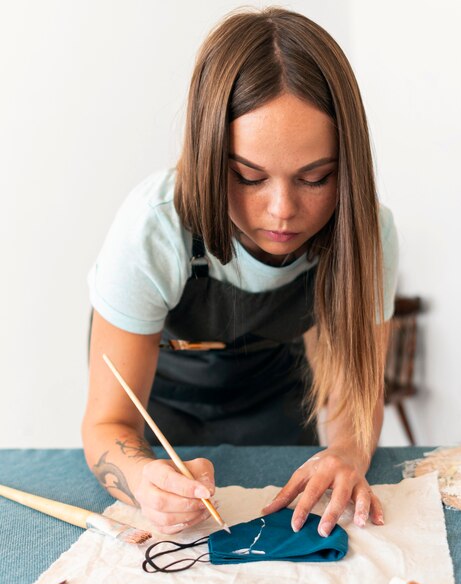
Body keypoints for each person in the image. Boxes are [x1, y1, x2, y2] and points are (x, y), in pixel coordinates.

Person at [82, 7, 398, 538]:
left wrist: (345, 454)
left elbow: (353, 398)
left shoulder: (366, 233)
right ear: (210, 158)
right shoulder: (153, 229)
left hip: (275, 406)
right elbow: (107, 423)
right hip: (164, 417)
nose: (282, 210)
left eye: (315, 178)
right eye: (249, 177)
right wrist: (141, 477)